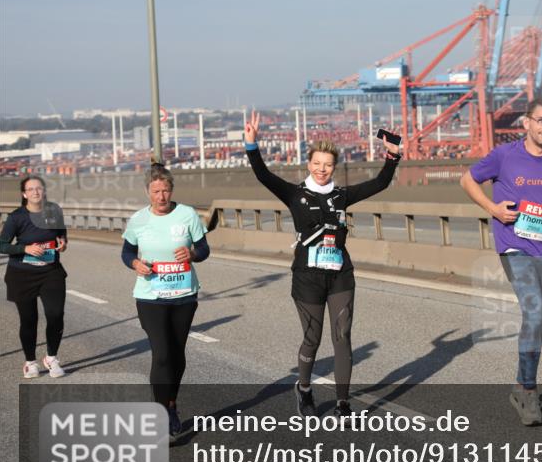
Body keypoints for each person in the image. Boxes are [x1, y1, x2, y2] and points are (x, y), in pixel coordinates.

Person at [244, 111, 400, 419]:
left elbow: (381, 183)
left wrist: (393, 156)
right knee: (312, 339)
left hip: (340, 274)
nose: (322, 170)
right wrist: (252, 145)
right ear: (309, 164)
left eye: (328, 165)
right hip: (306, 276)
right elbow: (263, 175)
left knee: (342, 337)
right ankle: (303, 389)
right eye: (317, 164)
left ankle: (343, 403)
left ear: (334, 166)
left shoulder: (342, 196)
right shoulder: (295, 194)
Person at [460, 97, 542, 426]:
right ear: (526, 123)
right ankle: (529, 392)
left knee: (537, 318)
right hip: (513, 244)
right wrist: (493, 209)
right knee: (533, 309)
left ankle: (519, 383)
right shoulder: (505, 156)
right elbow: (467, 179)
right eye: (541, 120)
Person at [122, 163, 210, 441]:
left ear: (172, 190)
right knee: (161, 353)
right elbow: (126, 251)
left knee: (176, 353)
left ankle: (171, 404)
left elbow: (204, 248)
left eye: (166, 190)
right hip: (151, 297)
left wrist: (193, 254)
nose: (161, 196)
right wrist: (135, 262)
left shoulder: (187, 214)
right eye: (156, 191)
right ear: (148, 192)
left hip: (184, 295)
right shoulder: (138, 219)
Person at [1, 176, 68, 379]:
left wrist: (63, 243)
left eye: (39, 188)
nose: (36, 192)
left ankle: (51, 358)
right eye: (31, 189)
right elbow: (2, 244)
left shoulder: (54, 211)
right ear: (24, 194)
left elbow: (62, 234)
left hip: (51, 272)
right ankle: (30, 362)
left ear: (44, 191)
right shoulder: (16, 217)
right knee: (29, 319)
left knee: (56, 315)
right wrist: (25, 248)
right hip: (22, 274)